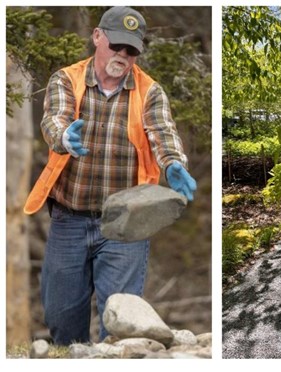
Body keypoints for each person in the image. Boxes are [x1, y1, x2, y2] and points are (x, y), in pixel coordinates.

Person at [23, 6, 197, 345]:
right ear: (98, 36)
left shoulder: (150, 91)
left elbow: (163, 133)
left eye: (131, 49)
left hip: (125, 224)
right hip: (68, 220)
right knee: (61, 322)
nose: (123, 55)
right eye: (116, 45)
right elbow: (53, 119)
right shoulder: (66, 78)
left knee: (119, 327)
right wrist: (62, 137)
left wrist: (173, 164)